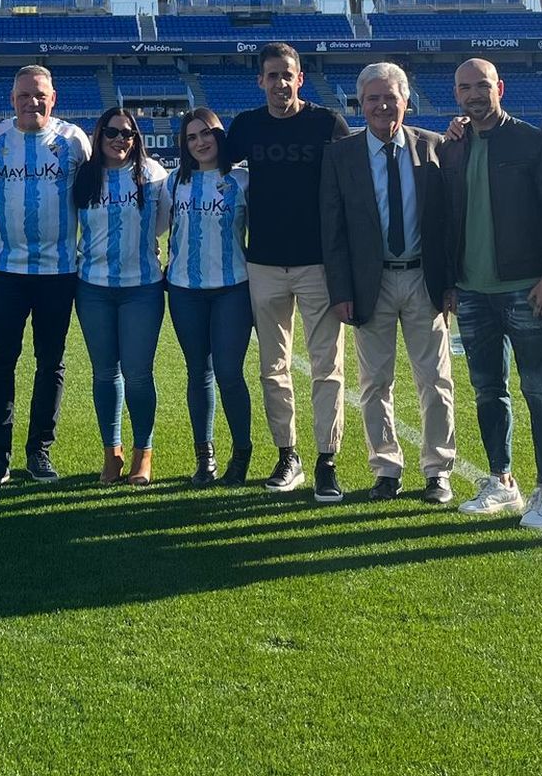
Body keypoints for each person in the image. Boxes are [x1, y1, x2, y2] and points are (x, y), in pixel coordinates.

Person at [440, 57, 542, 531]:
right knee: (487, 390)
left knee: (540, 391)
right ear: (456, 95)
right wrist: (449, 283)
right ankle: (502, 480)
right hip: (472, 292)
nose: (474, 95)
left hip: (525, 288)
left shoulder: (531, 142)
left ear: (500, 88)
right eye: (465, 88)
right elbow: (445, 220)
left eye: (482, 86)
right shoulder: (451, 148)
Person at [320, 61, 456, 503]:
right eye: (372, 98)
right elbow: (333, 230)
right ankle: (386, 468)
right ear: (360, 105)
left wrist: (450, 281)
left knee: (434, 379)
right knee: (375, 382)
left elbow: (450, 226)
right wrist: (341, 291)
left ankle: (438, 470)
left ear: (406, 101)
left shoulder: (435, 147)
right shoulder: (341, 154)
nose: (381, 105)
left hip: (423, 279)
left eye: (390, 97)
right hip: (369, 283)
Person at [223, 42, 351, 500]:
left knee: (327, 367)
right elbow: (206, 157)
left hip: (317, 263)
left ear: (300, 79)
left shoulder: (326, 123)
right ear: (261, 81)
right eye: (272, 76)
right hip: (263, 264)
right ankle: (288, 455)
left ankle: (327, 459)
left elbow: (359, 170)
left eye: (288, 75)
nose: (280, 84)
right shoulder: (246, 126)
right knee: (272, 367)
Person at [0, 65, 92, 491]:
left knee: (50, 364)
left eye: (39, 95)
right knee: (0, 364)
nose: (32, 102)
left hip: (60, 272)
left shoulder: (74, 140)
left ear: (52, 97)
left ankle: (39, 450)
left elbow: (95, 191)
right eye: (24, 95)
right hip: (6, 270)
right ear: (12, 98)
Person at [73, 106, 171, 484]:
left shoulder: (152, 175)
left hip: (141, 288)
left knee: (138, 375)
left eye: (128, 134)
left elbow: (161, 224)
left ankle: (142, 454)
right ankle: (111, 454)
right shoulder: (84, 176)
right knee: (104, 374)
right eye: (112, 132)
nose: (120, 140)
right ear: (98, 135)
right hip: (93, 287)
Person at [160, 109, 253, 486]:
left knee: (229, 373)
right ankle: (205, 456)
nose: (200, 142)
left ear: (219, 136)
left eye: (206, 134)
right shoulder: (172, 183)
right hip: (184, 290)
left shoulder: (243, 180)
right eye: (192, 137)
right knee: (197, 373)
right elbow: (154, 228)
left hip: (233, 288)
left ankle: (241, 451)